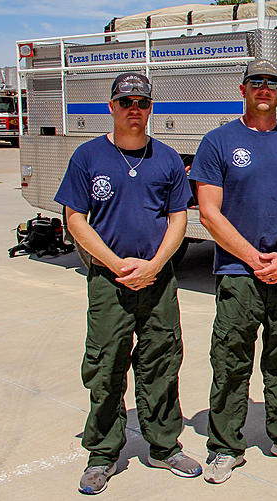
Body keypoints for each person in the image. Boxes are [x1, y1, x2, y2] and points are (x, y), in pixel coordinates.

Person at [55, 72, 201, 495]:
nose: (133, 109)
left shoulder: (168, 158)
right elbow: (75, 219)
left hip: (159, 281)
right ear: (112, 107)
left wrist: (155, 264)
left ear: (151, 108)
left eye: (141, 102)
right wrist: (117, 264)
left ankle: (164, 446)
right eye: (125, 102)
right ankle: (102, 455)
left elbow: (179, 218)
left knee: (161, 363)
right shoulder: (87, 157)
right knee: (105, 367)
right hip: (109, 282)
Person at [189, 58, 277, 484]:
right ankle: (225, 446)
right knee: (230, 359)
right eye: (256, 82)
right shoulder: (217, 142)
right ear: (242, 89)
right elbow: (209, 213)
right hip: (237, 271)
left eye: (272, 83)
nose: (264, 89)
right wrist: (251, 256)